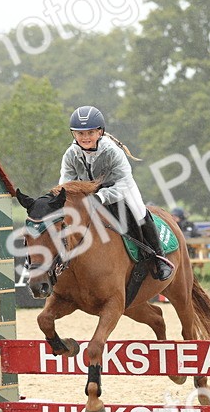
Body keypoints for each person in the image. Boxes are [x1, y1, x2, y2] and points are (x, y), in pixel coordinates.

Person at [58, 105, 173, 281]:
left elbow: (124, 183)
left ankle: (159, 258)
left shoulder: (112, 151)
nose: (85, 137)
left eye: (90, 133)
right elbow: (65, 184)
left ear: (100, 132)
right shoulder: (71, 154)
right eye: (80, 133)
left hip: (119, 188)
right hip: (89, 195)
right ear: (73, 134)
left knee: (139, 211)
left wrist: (100, 197)